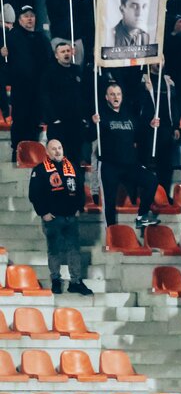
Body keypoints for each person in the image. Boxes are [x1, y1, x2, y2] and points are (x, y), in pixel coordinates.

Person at [92, 82, 160, 227]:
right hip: (110, 165)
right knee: (109, 202)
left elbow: (139, 136)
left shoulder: (129, 114)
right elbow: (89, 136)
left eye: (118, 94)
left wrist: (150, 126)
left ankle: (142, 216)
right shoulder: (101, 115)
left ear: (122, 96)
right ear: (106, 97)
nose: (115, 97)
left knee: (151, 180)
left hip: (129, 164)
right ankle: (111, 233)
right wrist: (93, 124)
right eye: (112, 94)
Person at [28, 139, 91, 295]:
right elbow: (34, 194)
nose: (57, 151)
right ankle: (56, 280)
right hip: (53, 218)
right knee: (54, 250)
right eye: (53, 149)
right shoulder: (40, 169)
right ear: (47, 152)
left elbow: (80, 189)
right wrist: (43, 212)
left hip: (71, 217)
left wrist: (79, 208)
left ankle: (75, 282)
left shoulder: (72, 167)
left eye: (59, 148)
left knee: (74, 250)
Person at [4, 5, 52, 161]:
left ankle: (33, 151)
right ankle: (17, 151)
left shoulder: (41, 38)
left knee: (35, 119)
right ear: (19, 20)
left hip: (38, 88)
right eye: (25, 16)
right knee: (20, 119)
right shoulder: (11, 36)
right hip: (20, 87)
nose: (29, 19)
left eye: (32, 15)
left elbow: (49, 61)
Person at [40, 40, 89, 164]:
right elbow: (45, 97)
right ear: (56, 55)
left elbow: (84, 95)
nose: (66, 54)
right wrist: (53, 118)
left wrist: (83, 116)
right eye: (62, 52)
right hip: (58, 122)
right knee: (59, 158)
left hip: (76, 121)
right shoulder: (49, 72)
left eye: (68, 51)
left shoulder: (77, 70)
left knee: (76, 155)